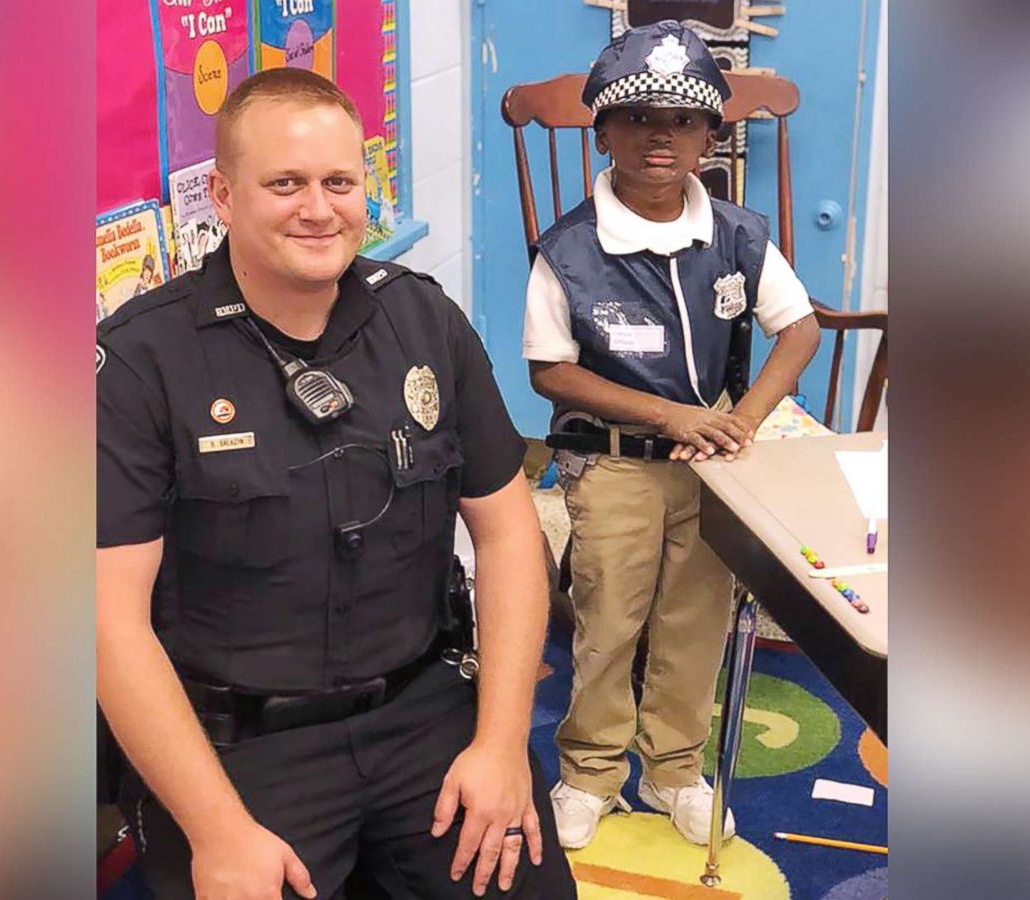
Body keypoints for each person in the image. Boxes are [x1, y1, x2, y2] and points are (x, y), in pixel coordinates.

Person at [97, 68, 577, 900]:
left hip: (426, 706)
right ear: (221, 193)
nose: (318, 209)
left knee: (524, 882)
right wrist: (217, 831)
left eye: (339, 182)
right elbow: (107, 622)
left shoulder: (425, 320)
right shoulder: (140, 361)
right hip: (241, 747)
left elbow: (507, 533)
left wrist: (501, 746)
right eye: (285, 183)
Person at [520, 21, 821, 849]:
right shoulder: (571, 249)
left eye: (684, 120)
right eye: (639, 117)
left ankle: (676, 767)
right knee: (608, 617)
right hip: (614, 464)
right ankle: (589, 771)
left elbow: (798, 331)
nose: (662, 135)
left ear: (710, 136)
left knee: (696, 620)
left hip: (713, 468)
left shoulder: (737, 235)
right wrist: (669, 414)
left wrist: (743, 419)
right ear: (605, 131)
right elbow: (550, 371)